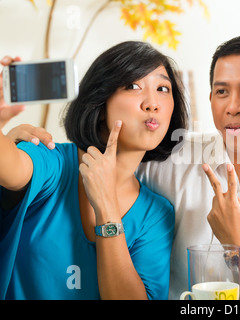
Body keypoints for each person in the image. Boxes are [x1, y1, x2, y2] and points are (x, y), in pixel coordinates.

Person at [9, 35, 240, 298]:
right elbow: (43, 166)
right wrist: (10, 138)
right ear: (210, 98)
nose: (233, 106)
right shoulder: (170, 157)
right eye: (222, 91)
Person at [0, 41, 189, 299]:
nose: (153, 103)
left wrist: (107, 209)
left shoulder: (155, 214)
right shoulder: (52, 160)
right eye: (133, 86)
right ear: (101, 104)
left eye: (163, 88)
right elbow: (9, 167)